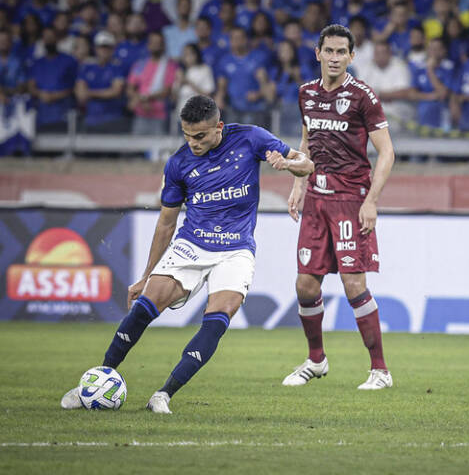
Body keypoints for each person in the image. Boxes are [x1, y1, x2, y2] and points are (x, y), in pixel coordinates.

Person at [60, 94, 314, 413]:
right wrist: (146, 275)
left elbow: (307, 164)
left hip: (236, 250)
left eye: (200, 136)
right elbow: (166, 221)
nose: (192, 142)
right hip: (191, 244)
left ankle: (163, 394)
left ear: (218, 127)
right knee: (144, 306)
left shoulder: (251, 138)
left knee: (216, 321)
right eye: (186, 135)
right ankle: (100, 377)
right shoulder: (179, 162)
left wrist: (289, 164)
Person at [282, 24, 395, 390]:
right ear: (317, 53)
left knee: (353, 284)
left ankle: (380, 370)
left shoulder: (363, 97)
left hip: (351, 199)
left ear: (351, 56)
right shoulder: (306, 94)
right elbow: (307, 141)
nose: (333, 58)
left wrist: (371, 201)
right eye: (328, 51)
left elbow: (387, 152)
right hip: (316, 198)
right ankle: (316, 361)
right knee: (305, 286)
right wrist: (299, 183)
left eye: (340, 52)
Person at [75, 31, 128, 133]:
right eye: (101, 47)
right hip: (90, 119)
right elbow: (80, 94)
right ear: (95, 48)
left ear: (113, 49)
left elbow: (116, 91)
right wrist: (105, 92)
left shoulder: (117, 67)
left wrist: (90, 93)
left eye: (107, 47)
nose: (104, 50)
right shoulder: (87, 67)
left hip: (113, 119)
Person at [126, 32, 178, 136]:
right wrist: (140, 99)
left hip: (159, 115)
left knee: (158, 150)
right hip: (140, 114)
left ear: (163, 46)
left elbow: (167, 91)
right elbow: (130, 88)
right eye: (152, 42)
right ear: (148, 45)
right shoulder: (140, 65)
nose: (155, 45)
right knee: (136, 149)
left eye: (158, 43)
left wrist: (145, 98)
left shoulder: (170, 66)